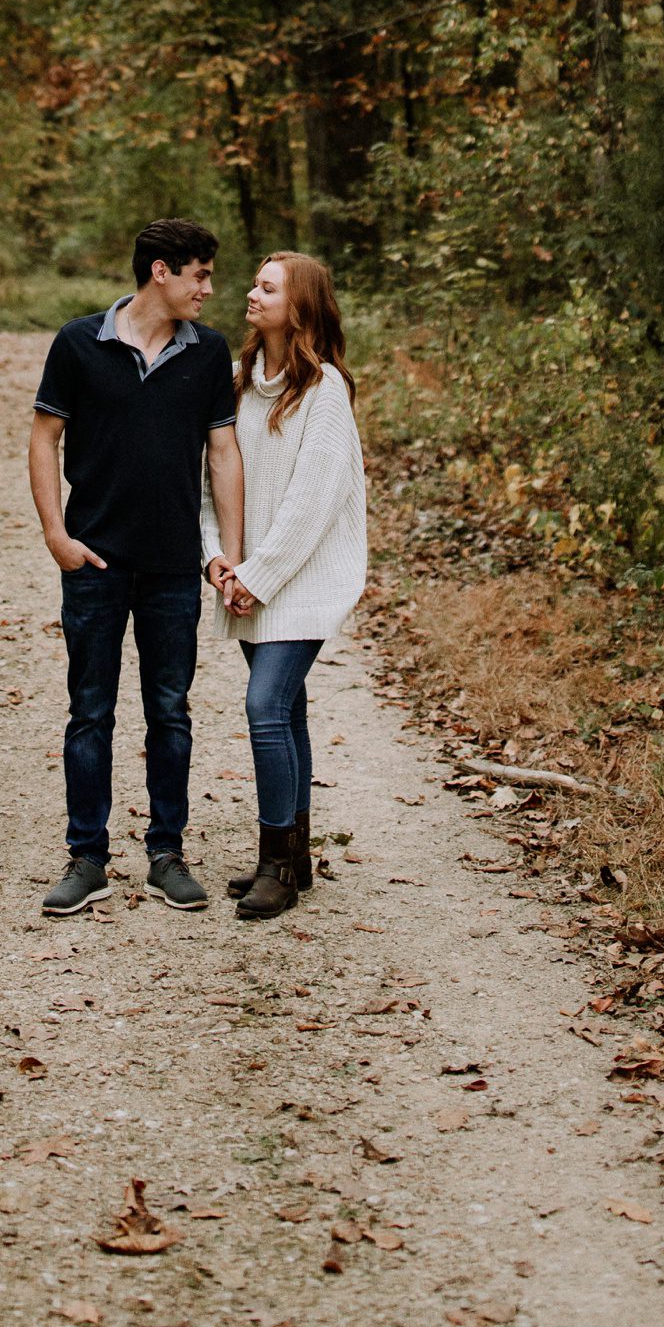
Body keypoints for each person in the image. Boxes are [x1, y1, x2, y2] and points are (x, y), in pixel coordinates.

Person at [29, 216, 243, 917]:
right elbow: (44, 439)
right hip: (93, 560)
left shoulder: (208, 354)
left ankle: (166, 854)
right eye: (200, 274)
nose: (209, 289)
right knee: (89, 712)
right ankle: (86, 859)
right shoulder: (78, 343)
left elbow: (223, 454)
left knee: (169, 712)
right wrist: (56, 536)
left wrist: (227, 554)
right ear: (161, 272)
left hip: (172, 568)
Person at [203, 250, 367, 921]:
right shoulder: (241, 384)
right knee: (288, 710)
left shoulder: (325, 390)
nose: (251, 293)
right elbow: (213, 479)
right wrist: (217, 559)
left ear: (300, 304)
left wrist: (259, 576)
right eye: (254, 283)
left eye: (268, 288)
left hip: (301, 580)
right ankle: (294, 858)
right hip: (248, 578)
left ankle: (276, 862)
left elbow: (313, 502)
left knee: (265, 706)